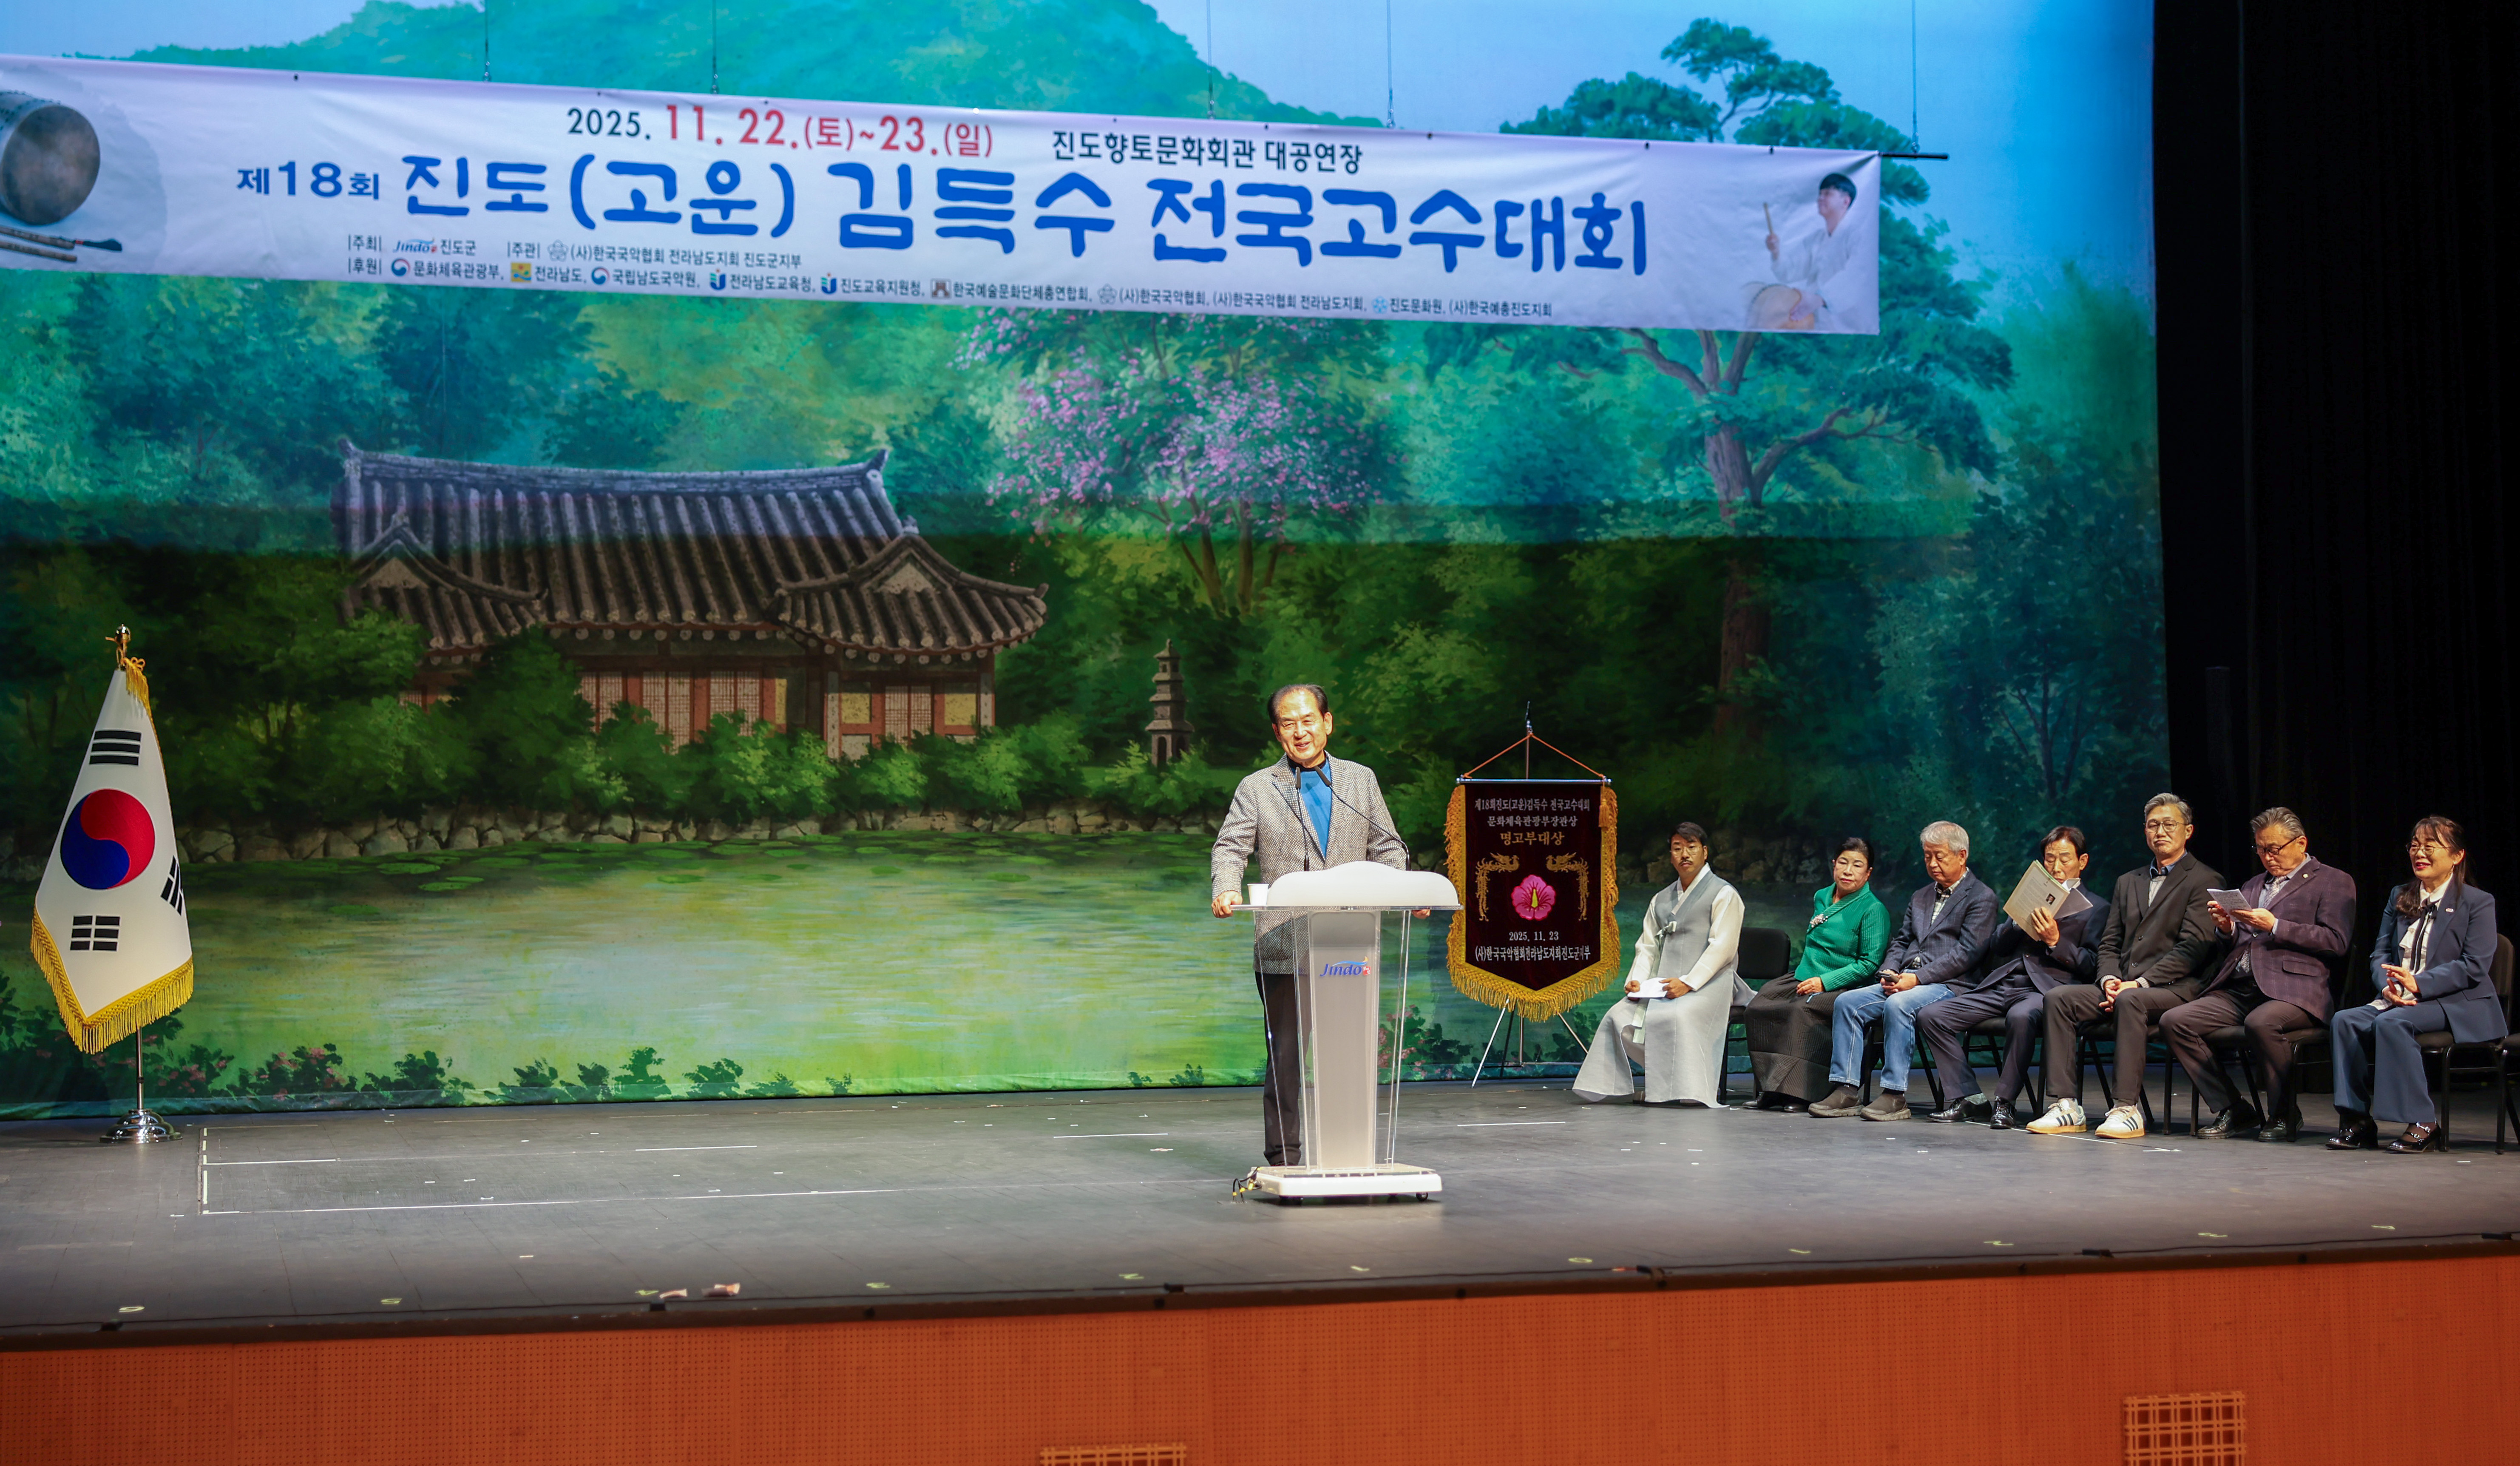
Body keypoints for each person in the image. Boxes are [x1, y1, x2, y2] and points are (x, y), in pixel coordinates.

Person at [1210, 683, 1408, 1171]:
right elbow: (1230, 847)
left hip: (1350, 941)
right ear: (1277, 731)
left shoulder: (1360, 781)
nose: (1300, 731)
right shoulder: (1258, 788)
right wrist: (1226, 886)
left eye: (1308, 720)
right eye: (1288, 723)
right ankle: (1286, 1159)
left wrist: (1403, 888)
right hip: (1286, 940)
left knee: (1350, 1054)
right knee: (1288, 1060)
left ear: (1328, 722)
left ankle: (1350, 1152)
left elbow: (1388, 846)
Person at [2027, 794, 2224, 1137]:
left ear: (2188, 831)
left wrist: (2141, 984)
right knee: (2060, 998)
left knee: (2132, 1001)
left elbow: (2193, 949)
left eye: (2169, 825)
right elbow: (2110, 943)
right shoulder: (2128, 881)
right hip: (2124, 985)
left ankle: (2126, 1108)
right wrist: (2108, 979)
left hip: (2175, 989)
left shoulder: (2204, 879)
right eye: (2152, 825)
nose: (2160, 832)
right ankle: (2065, 1105)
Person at [2157, 807, 2354, 1142]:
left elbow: (2335, 942)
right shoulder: (2253, 885)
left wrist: (2276, 926)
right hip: (2241, 988)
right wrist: (2226, 929)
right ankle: (2233, 1107)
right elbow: (2239, 940)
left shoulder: (2334, 881)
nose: (2267, 857)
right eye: (2261, 849)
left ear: (2301, 843)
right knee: (2175, 1021)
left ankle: (2284, 1114)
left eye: (2274, 849)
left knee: (2261, 1023)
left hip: (2294, 990)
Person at [1914, 827, 2108, 1128]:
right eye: (2050, 859)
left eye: (2065, 860)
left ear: (2082, 861)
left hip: (2048, 991)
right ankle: (1970, 1097)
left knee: (2021, 1017)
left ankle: (2005, 1102)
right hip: (2006, 982)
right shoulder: (2034, 893)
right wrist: (2017, 922)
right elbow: (1998, 946)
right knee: (1932, 1015)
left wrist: (2056, 942)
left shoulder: (2096, 908)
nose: (2056, 867)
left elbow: (2093, 966)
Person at [2328, 817, 2502, 1154]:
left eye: (2430, 846)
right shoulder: (2400, 895)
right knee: (2345, 1021)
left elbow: (2474, 966)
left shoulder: (2478, 902)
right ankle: (2356, 1120)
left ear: (2457, 856)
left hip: (2458, 1002)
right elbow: (2379, 951)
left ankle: (2424, 1121)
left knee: (2393, 1023)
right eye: (2414, 846)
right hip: (2400, 996)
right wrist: (2388, 985)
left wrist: (2419, 984)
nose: (2419, 853)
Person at [1809, 822, 1998, 1121]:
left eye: (1940, 857)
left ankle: (1894, 1095)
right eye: (1927, 857)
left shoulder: (1981, 897)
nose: (1932, 864)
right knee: (1848, 1003)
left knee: (1899, 1004)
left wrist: (1917, 979)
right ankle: (1846, 1090)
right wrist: (1890, 970)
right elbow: (1902, 940)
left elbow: (1968, 954)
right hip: (1905, 979)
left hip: (1951, 985)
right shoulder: (1921, 896)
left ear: (1962, 856)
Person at [1572, 822, 1746, 1108]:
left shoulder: (1724, 894)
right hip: (1663, 984)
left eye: (1691, 848)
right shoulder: (1661, 899)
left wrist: (1688, 982)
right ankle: (1644, 1087)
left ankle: (1691, 1090)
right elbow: (1647, 946)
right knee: (1619, 1017)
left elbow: (1723, 949)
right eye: (1677, 849)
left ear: (1705, 852)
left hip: (1710, 984)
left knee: (1677, 1018)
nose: (1684, 855)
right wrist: (1638, 981)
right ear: (1670, 856)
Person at [1742, 838, 1891, 1109]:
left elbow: (1869, 964)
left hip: (1843, 985)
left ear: (1868, 873)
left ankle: (1801, 1092)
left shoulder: (1873, 910)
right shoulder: (1822, 896)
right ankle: (1772, 1087)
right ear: (1834, 865)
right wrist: (1810, 977)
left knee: (1801, 1013)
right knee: (1759, 1006)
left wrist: (1825, 982)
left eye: (1857, 866)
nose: (1848, 871)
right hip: (1805, 976)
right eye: (1843, 863)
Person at [1751, 171, 1859, 330]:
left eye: (1828, 194)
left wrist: (1821, 299)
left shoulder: (1857, 237)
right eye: (1820, 194)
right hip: (1814, 320)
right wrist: (1776, 253)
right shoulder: (1816, 239)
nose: (1820, 198)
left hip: (1846, 323)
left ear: (1846, 201)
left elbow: (1856, 276)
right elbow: (1789, 271)